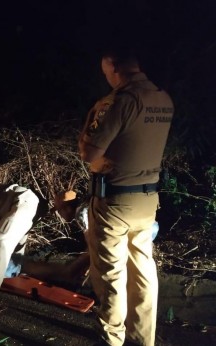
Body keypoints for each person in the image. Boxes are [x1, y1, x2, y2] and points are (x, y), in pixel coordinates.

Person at [78, 47, 173, 346]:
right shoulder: (163, 98)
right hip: (147, 201)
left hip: (115, 201)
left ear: (112, 65)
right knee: (144, 271)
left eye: (104, 69)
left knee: (110, 273)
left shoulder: (118, 101)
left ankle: (111, 338)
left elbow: (90, 153)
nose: (104, 75)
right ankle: (143, 338)